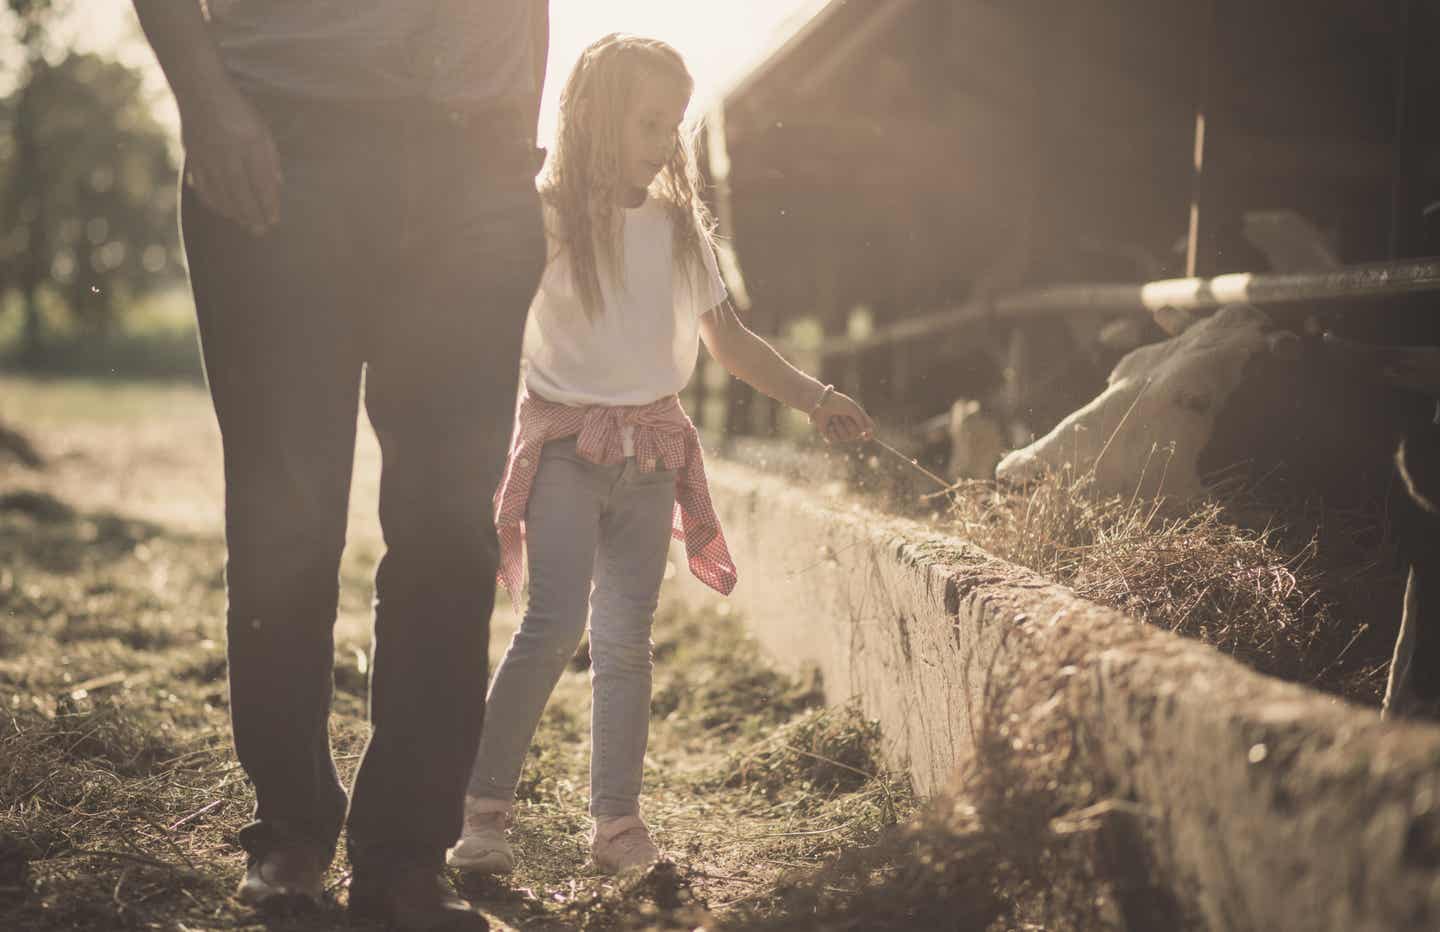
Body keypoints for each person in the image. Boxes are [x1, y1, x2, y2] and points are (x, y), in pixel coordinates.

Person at [129, 2, 549, 928]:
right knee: (287, 517)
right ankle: (290, 827)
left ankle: (405, 855)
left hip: (476, 169)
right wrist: (205, 103)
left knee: (449, 526)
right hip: (281, 144)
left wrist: (517, 140)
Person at [446, 34, 874, 878]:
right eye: (647, 120)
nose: (663, 139)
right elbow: (480, 325)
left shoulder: (679, 230)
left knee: (627, 640)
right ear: (596, 117)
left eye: (672, 124)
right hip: (566, 446)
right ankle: (483, 811)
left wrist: (816, 397)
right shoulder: (544, 219)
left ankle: (616, 826)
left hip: (652, 456)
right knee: (554, 619)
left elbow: (733, 342)